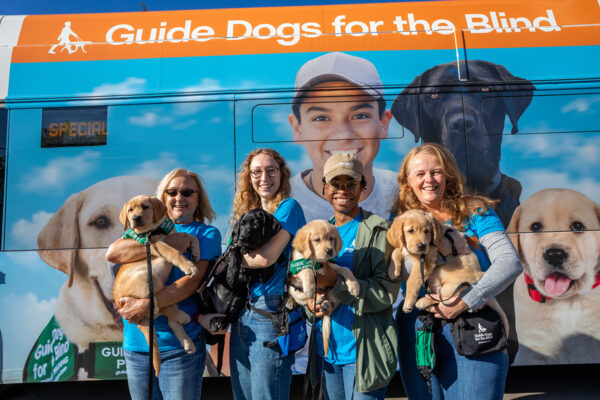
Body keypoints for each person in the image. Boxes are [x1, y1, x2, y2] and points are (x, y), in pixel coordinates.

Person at [392, 143, 522, 400]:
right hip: (419, 329)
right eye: (420, 174)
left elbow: (510, 262)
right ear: (407, 181)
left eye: (436, 172)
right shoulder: (400, 221)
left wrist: (466, 300)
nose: (428, 180)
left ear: (448, 175)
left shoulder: (475, 212)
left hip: (473, 322)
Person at [106, 168, 223, 400]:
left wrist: (147, 306)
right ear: (163, 198)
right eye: (172, 192)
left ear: (198, 198)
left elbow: (192, 282)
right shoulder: (147, 229)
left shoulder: (207, 234)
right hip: (137, 345)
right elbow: (114, 252)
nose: (179, 198)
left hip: (179, 349)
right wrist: (169, 243)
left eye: (187, 192)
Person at [305, 152, 399, 400]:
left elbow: (387, 292)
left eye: (350, 184)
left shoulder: (379, 230)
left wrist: (337, 284)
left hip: (364, 350)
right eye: (336, 184)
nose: (342, 190)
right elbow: (308, 284)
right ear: (325, 188)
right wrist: (309, 304)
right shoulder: (318, 232)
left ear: (363, 187)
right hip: (327, 350)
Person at [228, 148, 306, 400]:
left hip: (269, 312)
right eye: (256, 172)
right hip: (241, 312)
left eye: (271, 170)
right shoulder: (245, 213)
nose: (264, 178)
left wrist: (231, 260)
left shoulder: (288, 207)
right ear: (248, 178)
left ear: (282, 174)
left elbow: (265, 258)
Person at [288, 51, 397, 222]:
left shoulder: (403, 190)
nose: (343, 135)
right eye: (321, 118)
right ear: (297, 129)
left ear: (384, 123)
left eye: (360, 115)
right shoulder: (284, 200)